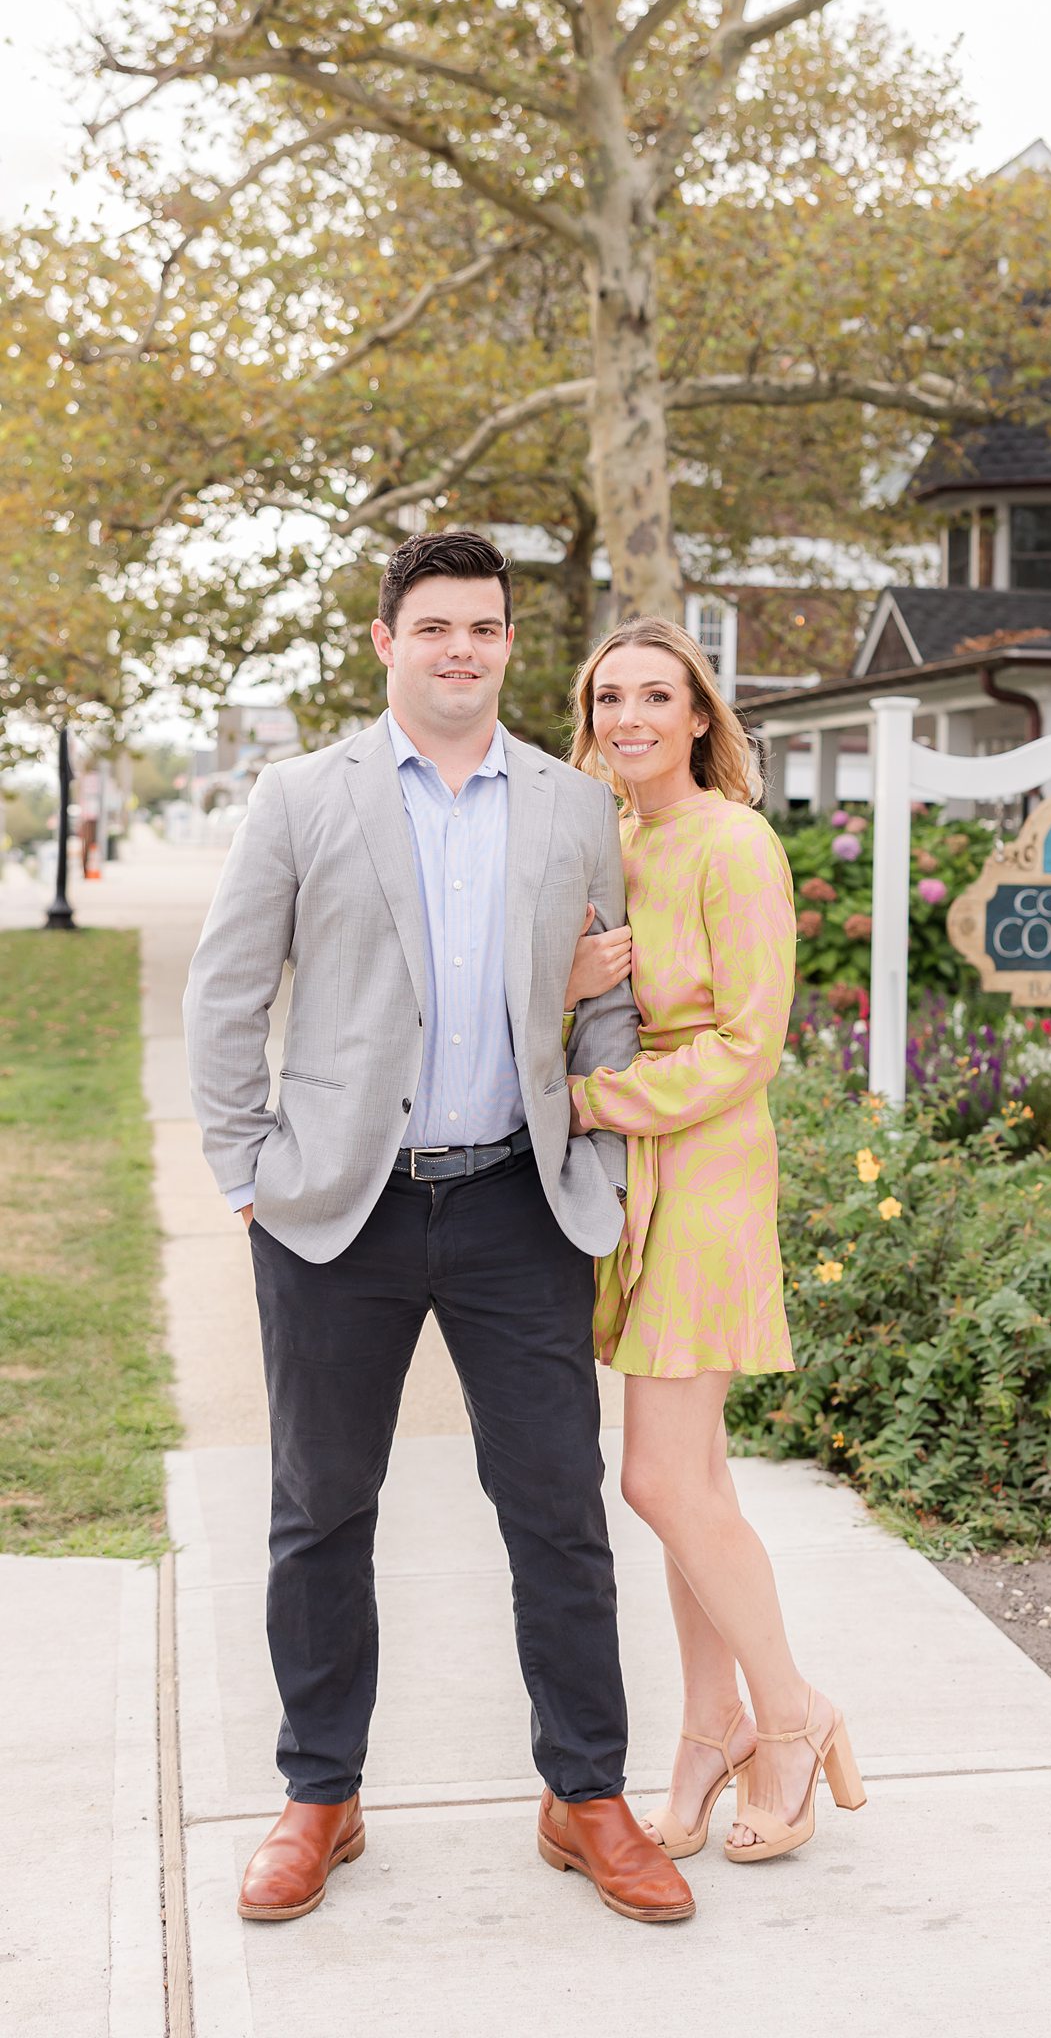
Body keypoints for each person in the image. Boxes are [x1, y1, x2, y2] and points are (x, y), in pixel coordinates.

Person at [183, 531, 694, 1928]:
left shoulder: (571, 806)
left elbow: (602, 1005)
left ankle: (588, 1794)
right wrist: (247, 1166)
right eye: (435, 627)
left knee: (556, 1513)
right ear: (386, 641)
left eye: (484, 627)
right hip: (334, 1214)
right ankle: (321, 1793)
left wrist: (588, 1144)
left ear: (509, 645)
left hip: (518, 1205)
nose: (461, 648)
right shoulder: (302, 795)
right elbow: (227, 996)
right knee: (319, 1511)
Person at [563, 617, 866, 1863]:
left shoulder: (735, 845)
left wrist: (586, 1100)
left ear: (700, 719)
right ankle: (708, 1729)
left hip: (703, 1167)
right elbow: (577, 1000)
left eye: (656, 697)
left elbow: (749, 1045)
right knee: (695, 1485)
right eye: (609, 697)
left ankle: (790, 1717)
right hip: (630, 1178)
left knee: (653, 1481)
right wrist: (571, 997)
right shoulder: (607, 840)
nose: (630, 717)